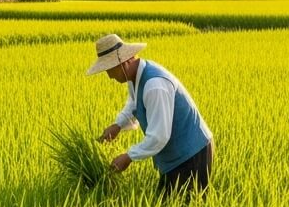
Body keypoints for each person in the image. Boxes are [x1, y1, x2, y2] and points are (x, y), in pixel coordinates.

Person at [85, 34, 214, 196]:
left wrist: (129, 157)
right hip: (175, 155)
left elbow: (159, 136)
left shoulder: (155, 85)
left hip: (191, 154)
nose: (110, 76)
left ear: (124, 63)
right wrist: (118, 126)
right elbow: (134, 104)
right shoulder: (136, 77)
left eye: (110, 69)